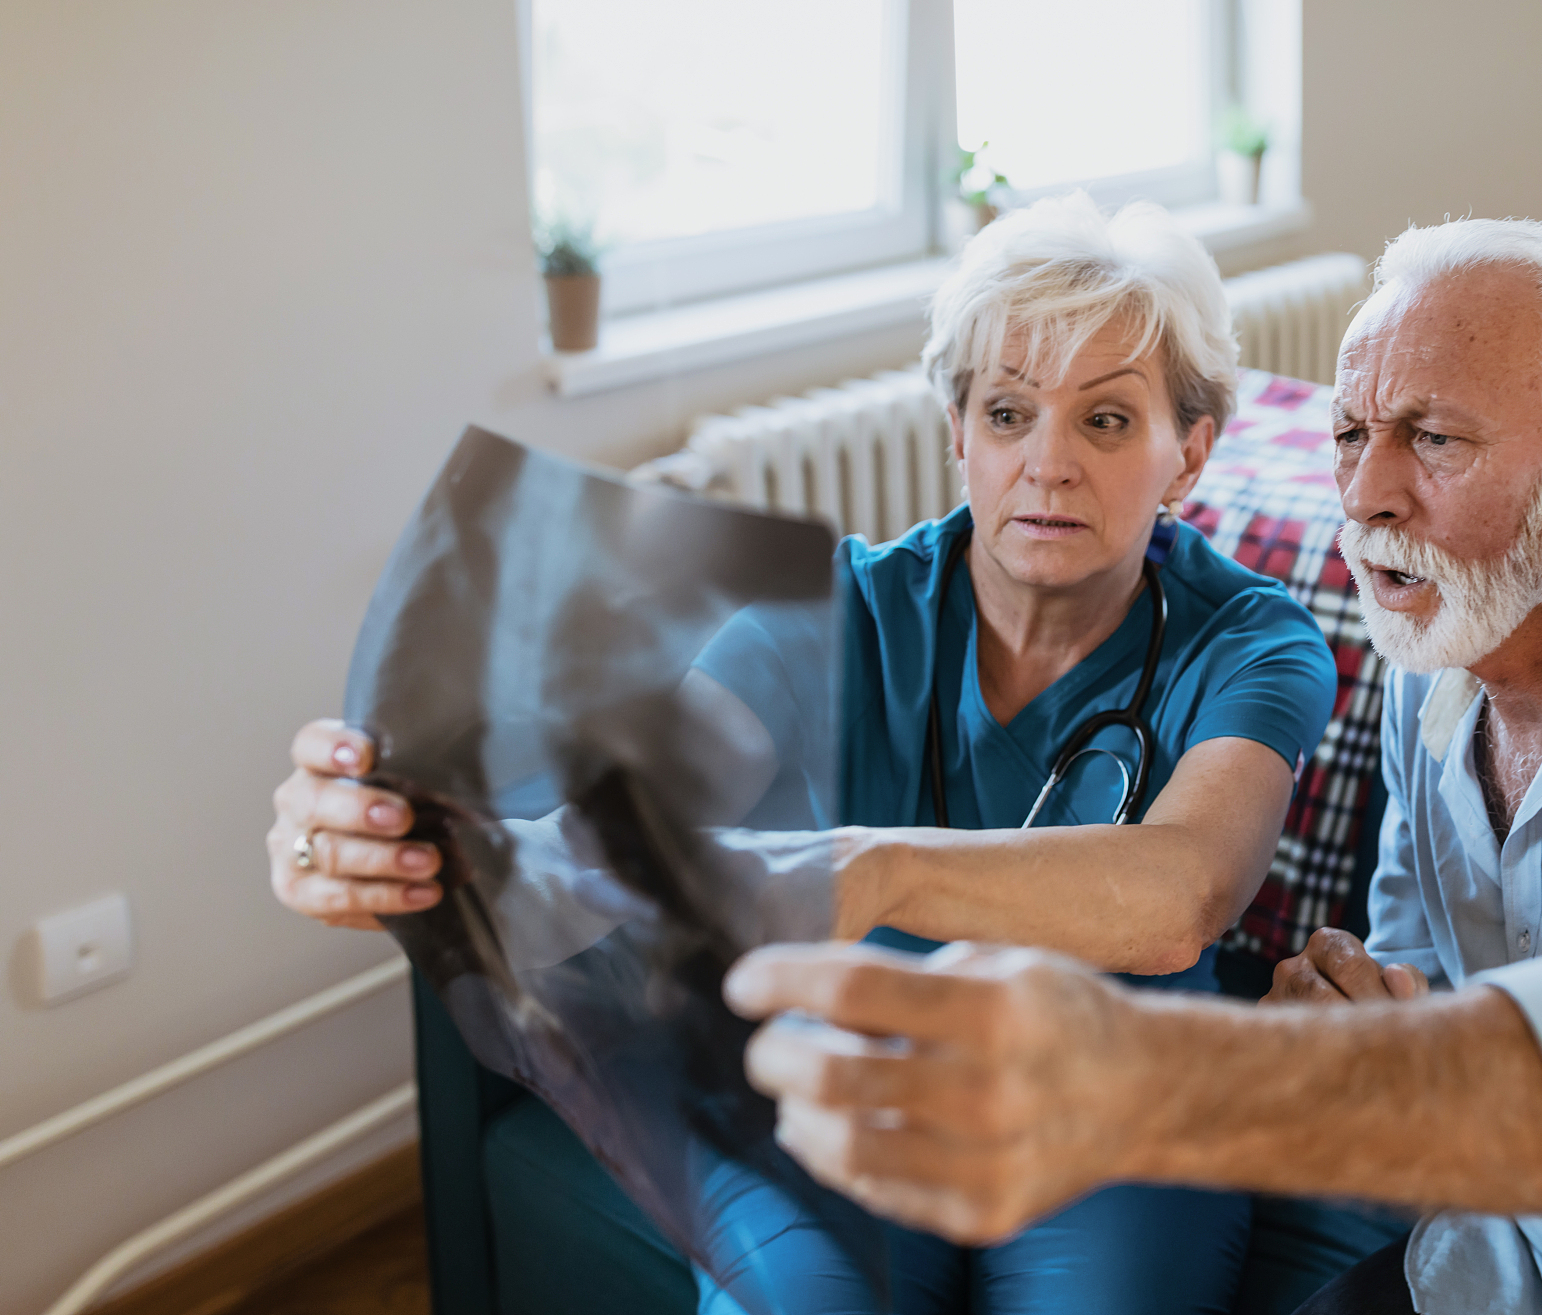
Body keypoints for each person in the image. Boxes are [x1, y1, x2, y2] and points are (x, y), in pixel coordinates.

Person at [722, 218, 1542, 1315]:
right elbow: (1408, 995)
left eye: (1434, 440)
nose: (1366, 495)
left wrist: (1176, 1074)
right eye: (1352, 436)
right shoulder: (1430, 689)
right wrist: (1343, 1012)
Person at [267, 193, 1377, 1314]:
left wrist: (882, 867)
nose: (1046, 465)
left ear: (1186, 453)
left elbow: (1181, 894)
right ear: (956, 433)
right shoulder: (828, 615)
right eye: (1005, 413)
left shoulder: (1247, 638)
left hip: (1115, 1075)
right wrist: (402, 857)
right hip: (849, 1056)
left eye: (1103, 421)